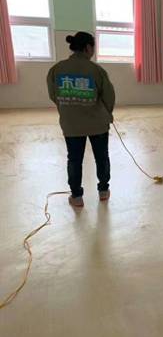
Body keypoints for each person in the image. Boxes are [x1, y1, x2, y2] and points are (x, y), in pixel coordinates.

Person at [47, 32, 115, 207]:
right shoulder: (96, 70)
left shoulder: (57, 69)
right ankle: (103, 190)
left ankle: (76, 196)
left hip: (71, 124)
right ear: (88, 47)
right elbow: (109, 96)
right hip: (98, 124)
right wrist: (106, 113)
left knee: (74, 159)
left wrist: (69, 107)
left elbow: (54, 95)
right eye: (93, 47)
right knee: (102, 157)